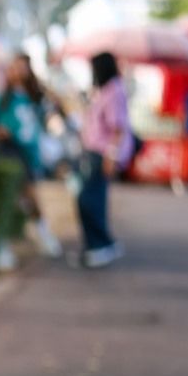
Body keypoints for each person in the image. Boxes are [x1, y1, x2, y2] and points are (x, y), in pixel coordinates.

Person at [0, 53, 61, 258]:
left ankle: (37, 235)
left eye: (22, 66)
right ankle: (0, 246)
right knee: (17, 197)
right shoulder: (1, 99)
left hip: (30, 155)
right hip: (9, 153)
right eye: (15, 66)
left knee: (27, 200)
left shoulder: (36, 99)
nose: (18, 71)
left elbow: (45, 121)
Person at [78, 51, 130, 268]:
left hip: (102, 154)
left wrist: (111, 156)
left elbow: (117, 128)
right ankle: (100, 244)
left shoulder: (113, 91)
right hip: (95, 152)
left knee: (89, 201)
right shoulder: (104, 90)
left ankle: (101, 245)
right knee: (90, 200)